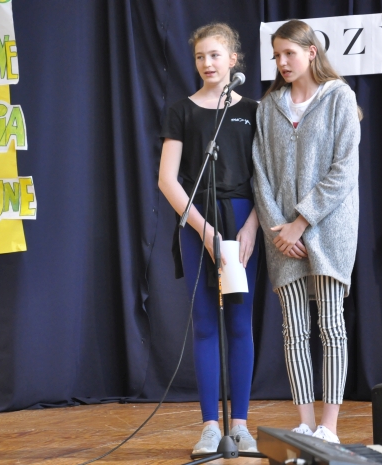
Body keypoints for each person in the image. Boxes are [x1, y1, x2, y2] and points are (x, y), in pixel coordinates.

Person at [252, 20, 361, 444]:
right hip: (281, 236)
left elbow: (344, 169)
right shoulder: (268, 107)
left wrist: (302, 221)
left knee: (331, 325)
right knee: (293, 329)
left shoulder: (339, 97)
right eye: (276, 55)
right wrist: (279, 230)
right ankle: (304, 421)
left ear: (311, 52)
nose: (282, 62)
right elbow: (260, 174)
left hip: (329, 231)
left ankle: (328, 427)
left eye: (289, 54)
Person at [158, 23, 260, 454]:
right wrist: (203, 230)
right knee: (204, 323)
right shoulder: (181, 110)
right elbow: (167, 179)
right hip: (197, 220)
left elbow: (266, 179)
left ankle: (240, 426)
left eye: (215, 55)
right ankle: (209, 427)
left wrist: (251, 226)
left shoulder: (253, 110)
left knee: (239, 323)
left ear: (233, 59)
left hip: (241, 221)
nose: (207, 63)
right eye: (200, 56)